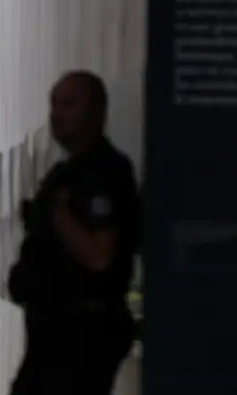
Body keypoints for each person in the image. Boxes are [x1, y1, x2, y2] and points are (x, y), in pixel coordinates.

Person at [8, 71, 141, 395]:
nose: (57, 113)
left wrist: (58, 214)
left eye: (69, 104)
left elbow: (99, 256)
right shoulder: (68, 173)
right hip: (55, 336)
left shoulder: (104, 172)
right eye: (54, 104)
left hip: (80, 338)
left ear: (96, 111)